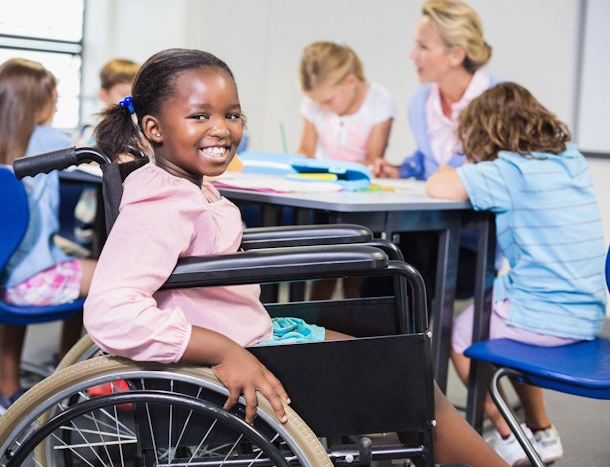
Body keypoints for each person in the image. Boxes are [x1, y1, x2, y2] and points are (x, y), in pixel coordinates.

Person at [83, 47, 506, 466]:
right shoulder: (161, 205)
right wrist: (223, 352)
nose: (222, 129)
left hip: (254, 332)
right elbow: (110, 312)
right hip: (237, 351)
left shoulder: (189, 187)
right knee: (406, 380)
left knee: (404, 372)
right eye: (200, 116)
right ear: (154, 129)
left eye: (231, 115)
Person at [425, 82, 607, 465]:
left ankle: (508, 436)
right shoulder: (570, 159)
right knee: (496, 311)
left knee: (464, 332)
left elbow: (439, 186)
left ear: (485, 133)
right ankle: (541, 431)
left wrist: (450, 163)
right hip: (589, 314)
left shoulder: (506, 172)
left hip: (542, 317)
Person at [0, 58, 97, 414]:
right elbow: (94, 151)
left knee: (70, 265)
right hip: (28, 281)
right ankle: (64, 381)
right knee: (105, 274)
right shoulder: (50, 139)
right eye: (54, 98)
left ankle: (6, 389)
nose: (56, 106)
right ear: (39, 103)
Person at [368, 0, 497, 304]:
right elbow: (428, 161)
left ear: (456, 54)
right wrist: (401, 170)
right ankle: (382, 349)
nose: (414, 55)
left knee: (408, 279)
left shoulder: (497, 104)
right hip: (425, 231)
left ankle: (412, 350)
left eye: (423, 46)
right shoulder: (421, 100)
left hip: (471, 243)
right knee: (377, 272)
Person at [296, 41, 396, 300]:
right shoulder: (315, 103)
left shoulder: (378, 100)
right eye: (318, 102)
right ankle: (315, 328)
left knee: (356, 273)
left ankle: (351, 326)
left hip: (360, 198)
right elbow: (305, 150)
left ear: (351, 81)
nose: (324, 107)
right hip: (323, 196)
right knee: (322, 270)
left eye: (328, 100)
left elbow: (373, 159)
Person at [73, 58, 141, 251]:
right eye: (123, 95)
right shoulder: (95, 129)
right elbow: (83, 153)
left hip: (131, 212)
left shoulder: (143, 130)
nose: (130, 102)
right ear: (103, 95)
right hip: (95, 215)